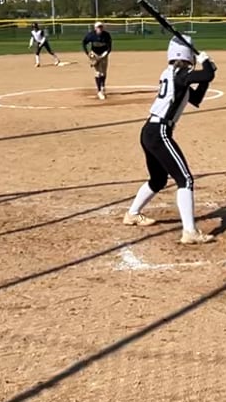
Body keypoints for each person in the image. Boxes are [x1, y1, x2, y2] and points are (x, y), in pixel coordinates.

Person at [123, 38, 218, 245]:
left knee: (158, 180)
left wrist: (207, 76)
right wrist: (207, 63)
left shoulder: (173, 75)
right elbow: (207, 74)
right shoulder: (181, 75)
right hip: (159, 132)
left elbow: (196, 98)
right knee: (186, 180)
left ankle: (132, 214)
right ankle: (190, 232)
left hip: (150, 131)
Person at [82, 20, 113, 100]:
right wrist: (88, 53)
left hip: (104, 54)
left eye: (101, 27)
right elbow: (84, 42)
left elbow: (109, 48)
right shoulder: (91, 35)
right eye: (98, 27)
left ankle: (102, 86)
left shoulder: (106, 35)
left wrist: (103, 55)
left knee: (104, 72)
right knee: (98, 72)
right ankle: (99, 91)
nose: (100, 28)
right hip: (95, 54)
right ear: (95, 28)